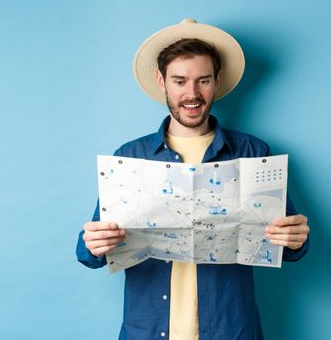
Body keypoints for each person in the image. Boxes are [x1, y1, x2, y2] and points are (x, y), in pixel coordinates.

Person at [76, 18, 310, 340]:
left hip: (231, 330)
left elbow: (293, 246)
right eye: (180, 80)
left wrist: (295, 237)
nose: (192, 93)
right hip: (147, 330)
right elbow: (87, 254)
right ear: (162, 81)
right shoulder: (130, 157)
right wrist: (94, 244)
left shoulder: (253, 152)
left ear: (217, 81)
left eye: (203, 81)